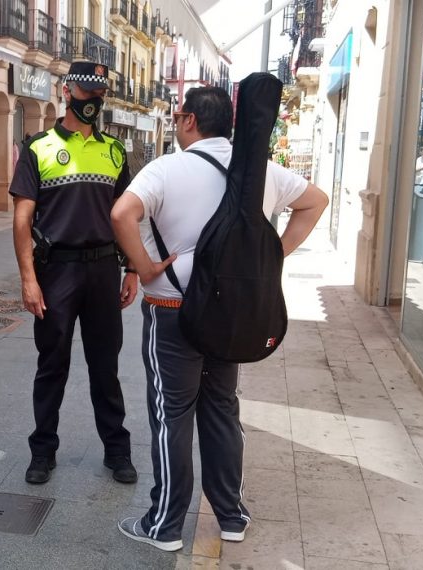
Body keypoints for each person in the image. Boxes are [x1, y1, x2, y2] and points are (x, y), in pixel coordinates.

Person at [110, 86, 328, 552]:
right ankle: (231, 516)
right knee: (222, 409)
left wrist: (144, 268)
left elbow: (121, 214)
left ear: (189, 120)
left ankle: (165, 525)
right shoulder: (260, 172)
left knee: (172, 416)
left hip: (172, 310)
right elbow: (317, 202)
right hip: (230, 316)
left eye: (177, 117)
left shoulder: (166, 169)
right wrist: (273, 257)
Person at [10, 61, 139, 486]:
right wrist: (29, 279)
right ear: (67, 91)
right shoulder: (38, 148)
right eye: (86, 92)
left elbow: (126, 217)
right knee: (52, 365)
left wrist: (133, 268)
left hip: (103, 269)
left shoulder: (115, 151)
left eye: (99, 92)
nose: (93, 100)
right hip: (56, 272)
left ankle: (117, 451)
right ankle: (42, 451)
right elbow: (21, 219)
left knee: (106, 366)